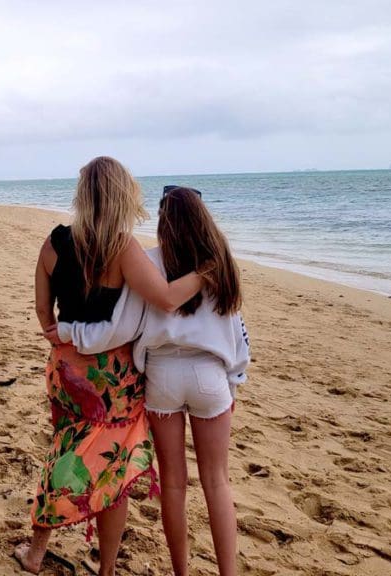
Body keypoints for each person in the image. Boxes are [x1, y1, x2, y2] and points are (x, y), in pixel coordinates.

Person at [14, 158, 206, 576]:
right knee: (111, 473)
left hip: (65, 371)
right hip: (113, 380)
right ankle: (106, 570)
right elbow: (167, 298)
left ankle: (35, 553)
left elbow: (44, 314)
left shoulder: (54, 243)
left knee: (64, 451)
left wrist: (66, 337)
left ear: (84, 196)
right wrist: (208, 271)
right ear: (124, 195)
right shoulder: (123, 248)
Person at [54, 185, 249, 576]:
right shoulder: (219, 265)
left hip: (162, 375)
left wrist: (70, 332)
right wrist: (234, 378)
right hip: (209, 374)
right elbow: (236, 330)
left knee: (174, 485)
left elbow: (120, 328)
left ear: (163, 221)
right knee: (217, 481)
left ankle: (181, 571)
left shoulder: (149, 262)